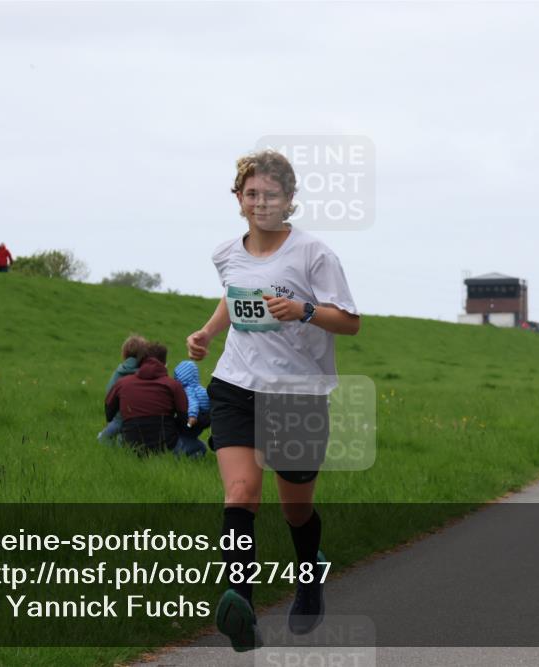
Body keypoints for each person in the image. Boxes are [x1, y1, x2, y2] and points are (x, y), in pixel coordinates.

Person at [186, 149, 360, 652]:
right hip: (236, 385)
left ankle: (310, 575)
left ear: (289, 200)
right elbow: (233, 295)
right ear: (238, 199)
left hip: (297, 394)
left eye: (272, 194)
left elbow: (349, 321)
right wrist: (206, 332)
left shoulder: (314, 254)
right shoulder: (227, 252)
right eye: (251, 193)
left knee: (295, 509)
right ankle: (240, 604)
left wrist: (304, 309)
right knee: (241, 494)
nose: (261, 203)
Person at [104, 342, 188, 455]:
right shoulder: (173, 385)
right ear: (165, 364)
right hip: (166, 448)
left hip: (131, 447)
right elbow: (184, 420)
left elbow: (109, 415)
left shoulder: (122, 383)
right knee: (197, 447)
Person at [98, 334, 148, 445]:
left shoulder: (119, 372)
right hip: (143, 420)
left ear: (124, 353)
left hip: (119, 418)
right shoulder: (146, 373)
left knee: (103, 439)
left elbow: (109, 394)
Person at [171, 360, 211, 458]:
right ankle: (196, 450)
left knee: (183, 435)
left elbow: (193, 403)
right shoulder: (200, 388)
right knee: (191, 437)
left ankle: (182, 452)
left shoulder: (188, 390)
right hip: (205, 417)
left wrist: (192, 416)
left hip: (193, 418)